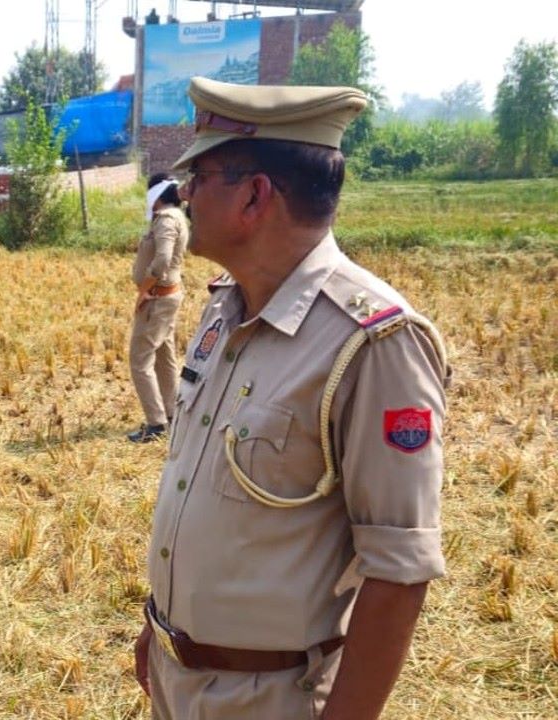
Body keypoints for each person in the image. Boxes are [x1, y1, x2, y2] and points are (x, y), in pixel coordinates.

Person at [133, 77, 451, 720]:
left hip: (273, 699)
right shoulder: (226, 305)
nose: (187, 193)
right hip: (181, 678)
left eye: (204, 174)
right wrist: (162, 628)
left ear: (255, 196)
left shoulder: (374, 344)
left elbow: (398, 570)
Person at [127, 173, 189, 443]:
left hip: (157, 298)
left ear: (157, 196)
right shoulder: (176, 217)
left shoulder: (165, 220)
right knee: (165, 357)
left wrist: (145, 289)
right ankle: (173, 413)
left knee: (140, 360)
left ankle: (156, 424)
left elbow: (162, 259)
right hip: (166, 297)